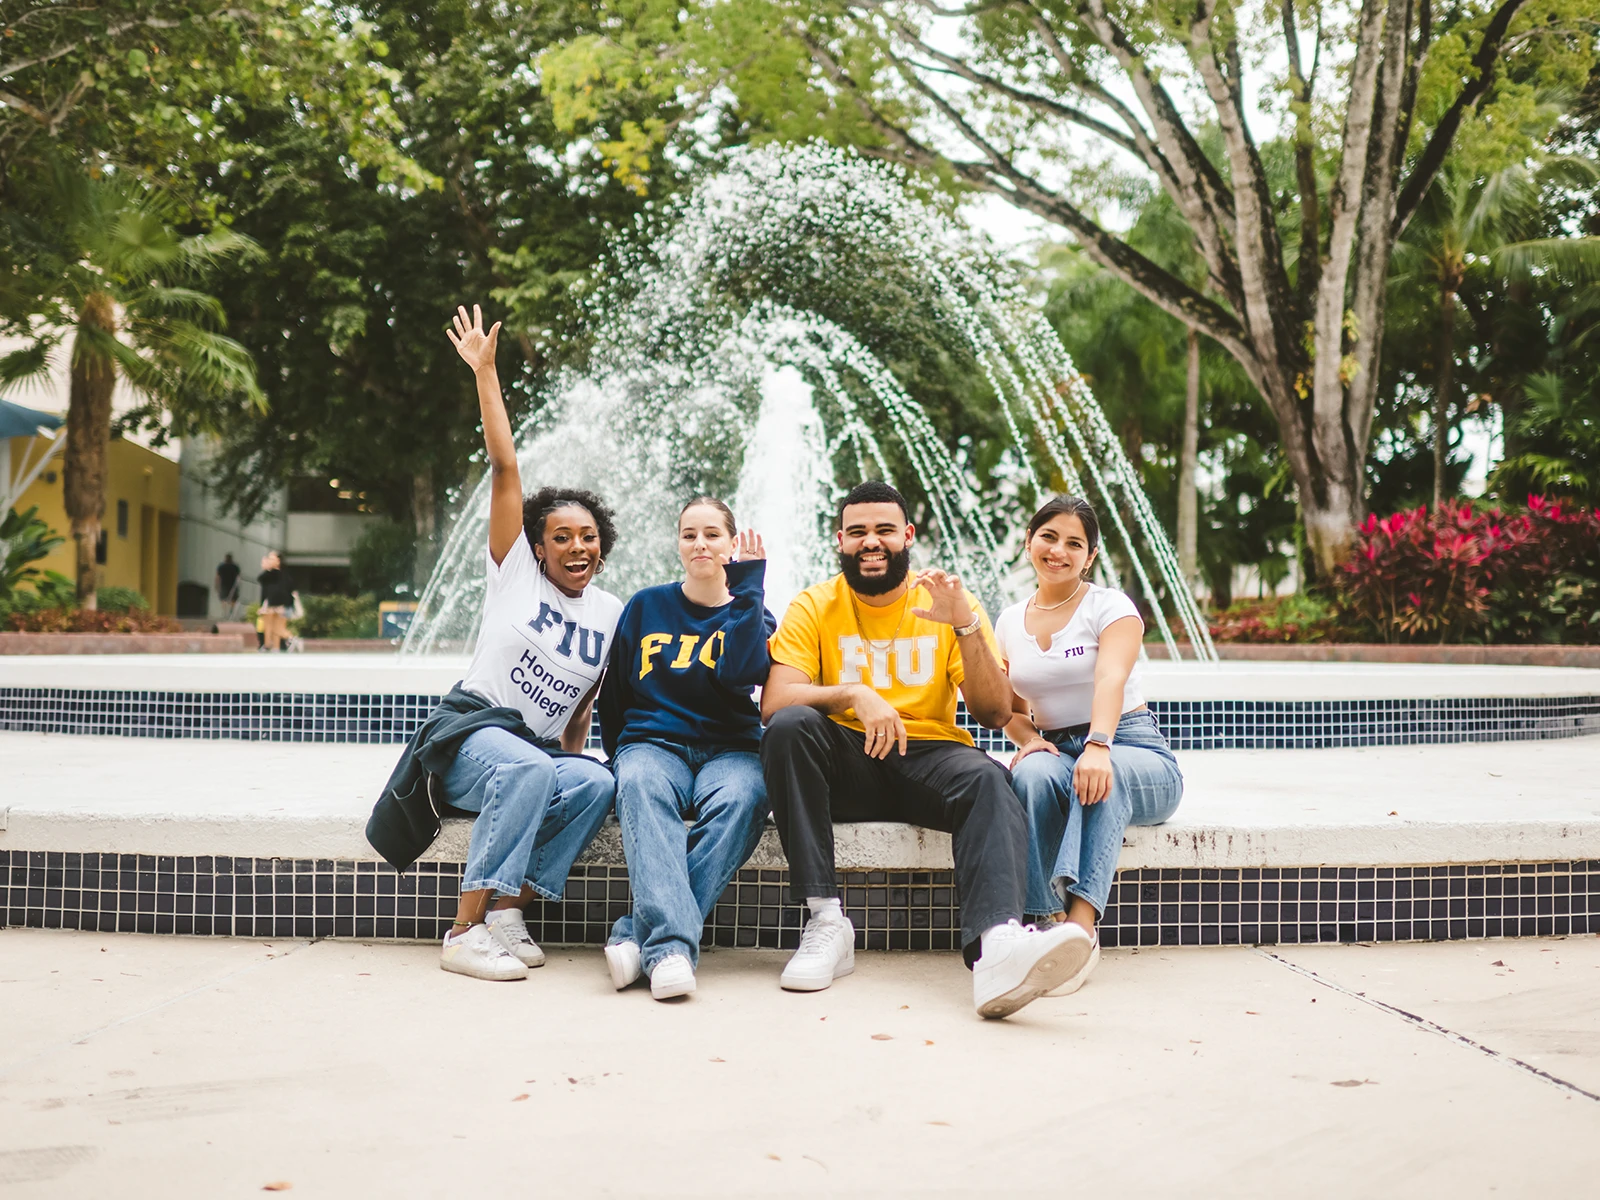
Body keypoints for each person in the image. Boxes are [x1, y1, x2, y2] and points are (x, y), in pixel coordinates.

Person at [760, 480, 1094, 1019]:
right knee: (790, 726)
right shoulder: (815, 604)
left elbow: (991, 713)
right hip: (845, 762)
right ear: (839, 541)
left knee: (989, 779)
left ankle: (997, 952)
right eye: (859, 532)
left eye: (885, 530)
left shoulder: (945, 601)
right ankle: (826, 922)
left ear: (908, 536)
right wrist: (852, 692)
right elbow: (775, 701)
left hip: (926, 758)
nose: (872, 542)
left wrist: (963, 624)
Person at [366, 304, 621, 982]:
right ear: (537, 546)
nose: (576, 546)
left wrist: (574, 769)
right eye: (561, 536)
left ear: (603, 548)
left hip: (531, 756)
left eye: (588, 537)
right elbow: (505, 466)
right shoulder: (516, 578)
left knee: (596, 778)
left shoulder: (610, 614)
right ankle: (463, 931)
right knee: (531, 771)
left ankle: (510, 910)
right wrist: (486, 372)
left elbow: (581, 713)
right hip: (470, 739)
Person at [996, 495, 1183, 996]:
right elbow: (1011, 711)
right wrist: (1030, 741)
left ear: (1091, 556)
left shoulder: (1109, 605)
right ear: (1029, 541)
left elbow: (1111, 677)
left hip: (1132, 745)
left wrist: (1099, 744)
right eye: (1049, 537)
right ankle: (1043, 923)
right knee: (1031, 776)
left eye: (1074, 543)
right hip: (1059, 747)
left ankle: (1080, 929)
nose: (1059, 551)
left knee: (1102, 778)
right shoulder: (1009, 621)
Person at [596, 498, 775, 1001]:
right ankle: (671, 948)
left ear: (732, 544)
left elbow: (742, 673)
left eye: (713, 534)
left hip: (730, 750)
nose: (700, 543)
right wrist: (623, 754)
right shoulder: (646, 605)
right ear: (678, 544)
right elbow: (616, 695)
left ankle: (638, 936)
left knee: (747, 797)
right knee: (637, 783)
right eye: (689, 534)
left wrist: (748, 593)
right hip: (655, 744)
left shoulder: (754, 610)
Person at [256, 552, 295, 651]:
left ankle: (292, 639)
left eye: (271, 559)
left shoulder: (281, 575)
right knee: (273, 630)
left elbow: (284, 591)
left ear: (278, 561)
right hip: (274, 605)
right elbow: (263, 583)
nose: (269, 561)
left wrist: (281, 606)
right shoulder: (271, 575)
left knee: (276, 629)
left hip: (280, 606)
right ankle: (275, 649)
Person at [215, 553, 242, 621]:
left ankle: (225, 613)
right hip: (232, 586)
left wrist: (217, 585)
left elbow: (217, 577)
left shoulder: (222, 566)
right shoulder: (235, 566)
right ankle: (230, 612)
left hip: (224, 585)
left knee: (224, 599)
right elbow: (238, 577)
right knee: (232, 600)